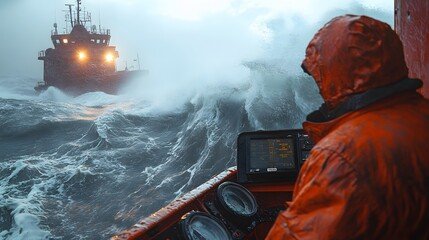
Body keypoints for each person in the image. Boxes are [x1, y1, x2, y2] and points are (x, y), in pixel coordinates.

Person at [266, 14, 429, 239]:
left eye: (319, 75)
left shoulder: (341, 155)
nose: (319, 86)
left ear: (336, 72)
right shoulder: (421, 113)